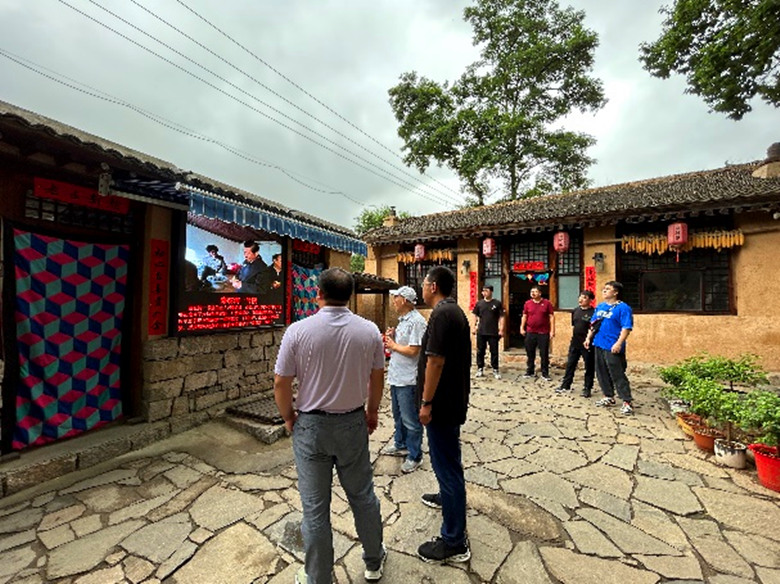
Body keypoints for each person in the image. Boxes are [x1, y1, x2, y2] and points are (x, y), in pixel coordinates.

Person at [274, 268, 386, 583]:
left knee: (314, 508)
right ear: (350, 295)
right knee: (363, 496)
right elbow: (377, 377)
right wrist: (372, 411)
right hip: (352, 422)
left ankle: (318, 576)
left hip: (311, 427)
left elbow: (281, 382)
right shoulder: (369, 331)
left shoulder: (298, 331)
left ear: (318, 294)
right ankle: (373, 561)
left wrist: (288, 417)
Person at [416, 266, 472, 564]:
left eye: (424, 283)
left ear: (433, 286)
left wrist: (426, 402)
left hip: (441, 405)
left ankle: (454, 541)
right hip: (451, 402)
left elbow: (435, 362)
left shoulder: (442, 314)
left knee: (448, 467)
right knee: (448, 462)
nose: (422, 288)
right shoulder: (453, 311)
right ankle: (447, 498)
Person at [383, 286, 427, 473]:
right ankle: (400, 443)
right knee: (398, 415)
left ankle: (415, 455)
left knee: (410, 419)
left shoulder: (416, 321)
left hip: (408, 378)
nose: (394, 301)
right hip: (397, 375)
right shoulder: (404, 320)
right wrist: (393, 338)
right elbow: (404, 344)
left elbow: (414, 350)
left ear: (405, 300)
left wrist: (393, 345)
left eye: (396, 297)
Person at [584, 280, 635, 415]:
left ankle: (627, 401)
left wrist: (619, 343)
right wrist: (588, 338)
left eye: (608, 289)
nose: (604, 291)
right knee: (601, 372)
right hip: (599, 343)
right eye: (604, 289)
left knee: (617, 373)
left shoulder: (623, 308)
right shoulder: (600, 307)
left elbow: (626, 327)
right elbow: (593, 325)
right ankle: (608, 396)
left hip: (612, 345)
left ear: (616, 292)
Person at [556, 290, 595, 396]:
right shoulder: (575, 311)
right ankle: (565, 385)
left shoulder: (593, 313)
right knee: (570, 364)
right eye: (580, 297)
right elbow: (574, 325)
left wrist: (588, 339)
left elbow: (593, 328)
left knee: (589, 366)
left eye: (584, 298)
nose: (581, 299)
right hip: (575, 342)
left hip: (587, 344)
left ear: (590, 300)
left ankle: (587, 388)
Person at [520, 285, 555, 381]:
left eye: (535, 291)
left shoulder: (547, 303)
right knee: (530, 353)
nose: (533, 293)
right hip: (530, 332)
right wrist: (522, 327)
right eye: (532, 291)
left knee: (544, 354)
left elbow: (551, 317)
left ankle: (545, 373)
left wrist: (552, 330)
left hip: (543, 332)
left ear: (540, 293)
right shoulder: (528, 303)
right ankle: (530, 371)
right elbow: (524, 316)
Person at [471, 284, 505, 379]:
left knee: (494, 351)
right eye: (483, 291)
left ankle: (495, 369)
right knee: (480, 351)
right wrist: (473, 327)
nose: (484, 293)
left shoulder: (497, 303)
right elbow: (474, 315)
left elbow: (501, 317)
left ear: (491, 292)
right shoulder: (479, 303)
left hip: (493, 331)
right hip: (481, 331)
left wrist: (501, 329)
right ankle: (480, 368)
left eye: (486, 291)